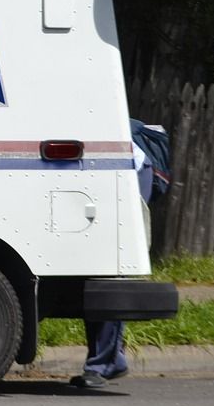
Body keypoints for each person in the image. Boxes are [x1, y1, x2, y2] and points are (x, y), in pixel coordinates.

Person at [70, 120, 170, 388]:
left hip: (127, 169)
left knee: (109, 263)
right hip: (112, 165)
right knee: (97, 263)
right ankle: (108, 358)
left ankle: (107, 362)